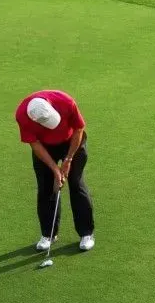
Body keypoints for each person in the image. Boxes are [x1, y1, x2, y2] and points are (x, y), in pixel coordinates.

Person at [15, 90, 95, 252]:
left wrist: (69, 159)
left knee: (76, 184)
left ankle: (86, 233)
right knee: (45, 188)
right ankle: (48, 235)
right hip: (45, 147)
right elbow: (35, 144)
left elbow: (79, 129)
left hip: (72, 141)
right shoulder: (22, 115)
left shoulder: (65, 101)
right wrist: (55, 170)